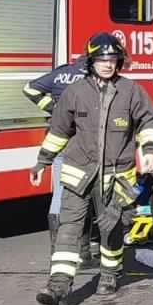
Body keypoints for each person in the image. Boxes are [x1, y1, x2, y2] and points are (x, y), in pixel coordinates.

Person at [29, 32, 153, 305]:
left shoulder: (131, 91)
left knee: (112, 229)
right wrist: (42, 161)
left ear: (119, 62)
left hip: (117, 179)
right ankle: (58, 287)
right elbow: (59, 131)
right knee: (69, 228)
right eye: (101, 59)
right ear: (91, 62)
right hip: (79, 175)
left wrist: (150, 152)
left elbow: (148, 121)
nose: (107, 64)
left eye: (112, 59)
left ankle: (110, 274)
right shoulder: (75, 92)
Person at [22, 55, 93, 262]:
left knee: (59, 194)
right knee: (85, 191)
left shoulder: (61, 73)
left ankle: (56, 250)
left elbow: (29, 89)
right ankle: (83, 250)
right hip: (80, 140)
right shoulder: (89, 76)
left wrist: (53, 108)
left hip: (56, 138)